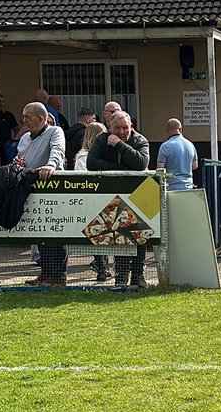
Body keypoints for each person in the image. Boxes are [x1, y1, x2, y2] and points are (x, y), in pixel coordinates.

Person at [87, 111, 150, 287]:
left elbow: (141, 163)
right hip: (112, 195)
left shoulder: (140, 140)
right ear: (109, 127)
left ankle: (138, 276)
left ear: (131, 127)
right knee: (118, 236)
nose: (121, 131)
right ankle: (121, 276)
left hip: (138, 194)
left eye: (125, 128)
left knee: (138, 234)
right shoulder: (101, 139)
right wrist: (121, 168)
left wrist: (120, 145)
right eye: (117, 128)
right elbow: (91, 164)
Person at [14, 102, 68, 286]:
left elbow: (57, 151)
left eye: (27, 117)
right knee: (39, 232)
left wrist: (51, 165)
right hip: (31, 190)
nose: (24, 120)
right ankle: (45, 272)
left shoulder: (55, 132)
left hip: (52, 190)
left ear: (41, 119)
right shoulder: (24, 139)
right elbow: (22, 159)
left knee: (55, 232)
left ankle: (58, 276)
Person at [73, 122, 110, 281]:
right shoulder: (85, 156)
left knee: (99, 234)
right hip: (95, 198)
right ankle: (102, 267)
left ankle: (102, 267)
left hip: (94, 198)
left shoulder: (82, 155)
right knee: (100, 234)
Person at [157, 119, 198, 190]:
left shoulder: (165, 146)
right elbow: (195, 166)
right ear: (181, 130)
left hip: (172, 187)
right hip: (188, 186)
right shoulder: (190, 145)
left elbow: (160, 169)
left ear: (167, 131)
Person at [0, 94, 18, 162]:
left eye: (2, 101)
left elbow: (16, 129)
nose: (1, 103)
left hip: (5, 146)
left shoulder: (9, 115)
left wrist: (14, 142)